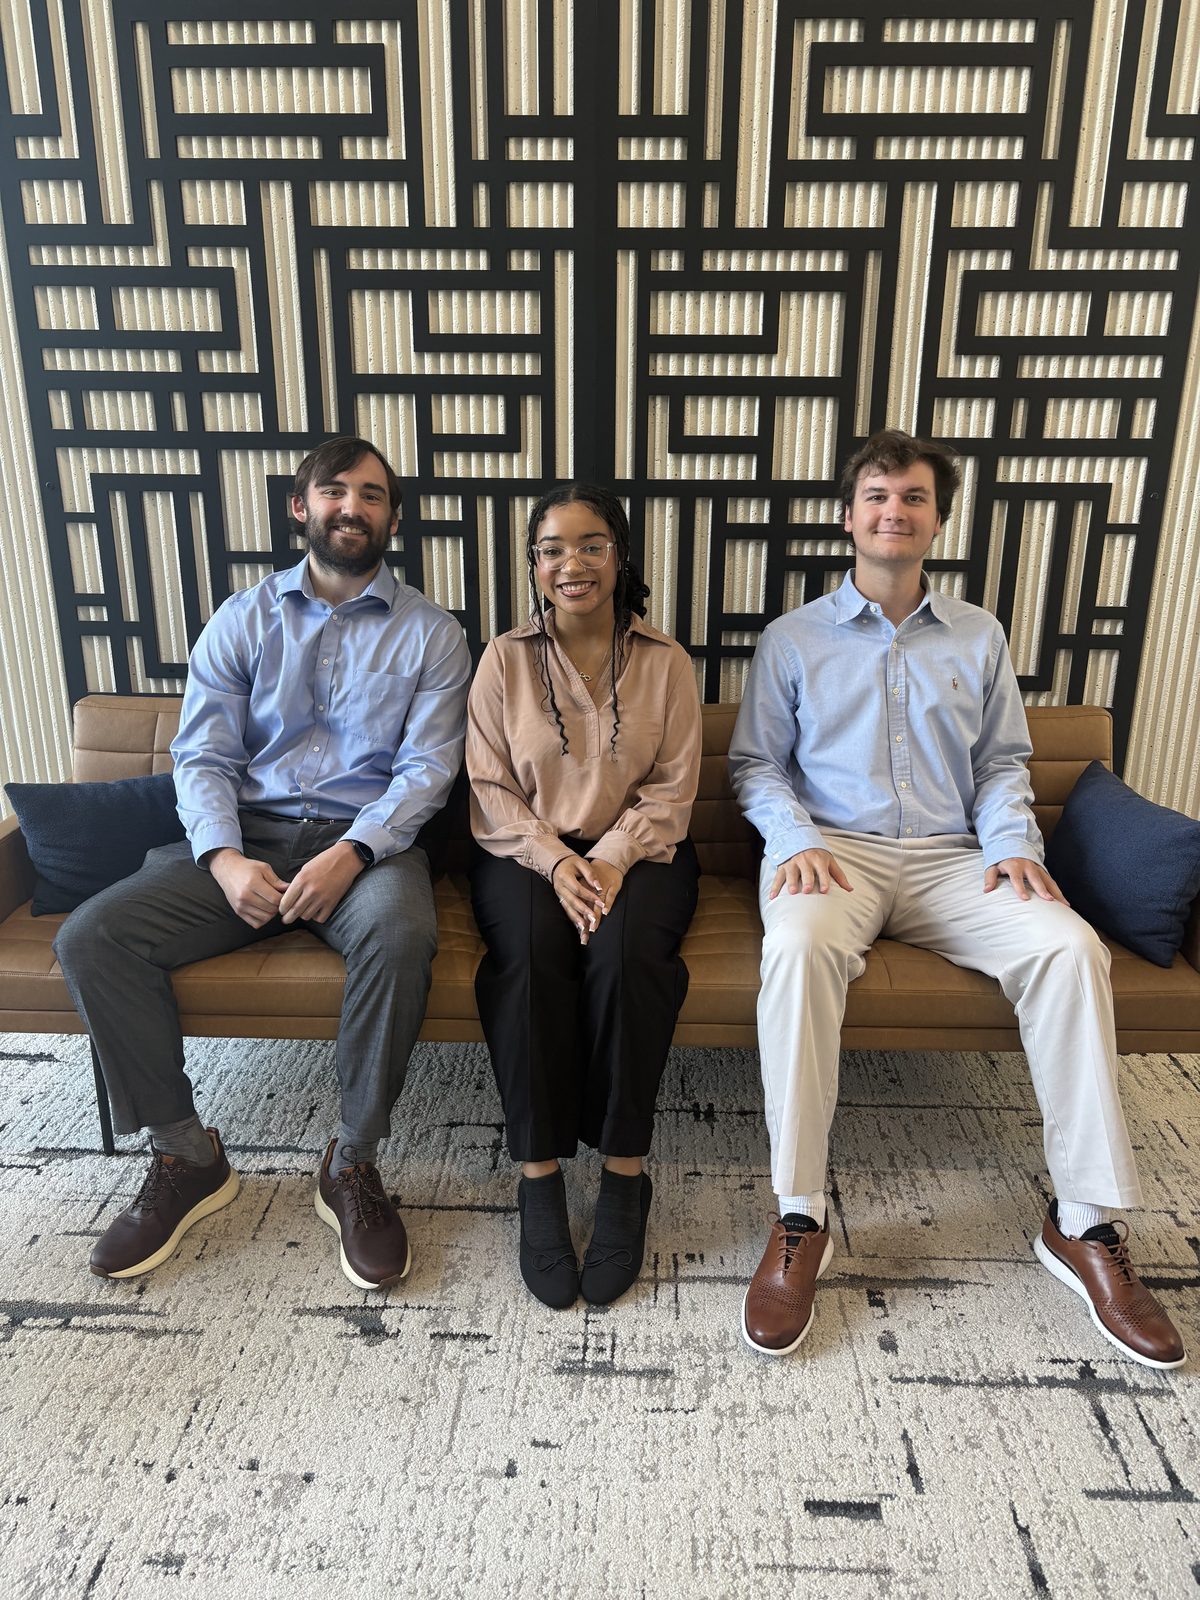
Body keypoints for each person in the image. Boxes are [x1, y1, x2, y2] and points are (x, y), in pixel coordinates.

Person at [728, 427, 1185, 1369]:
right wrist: (799, 841)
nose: (894, 512)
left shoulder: (978, 635)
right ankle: (800, 1214)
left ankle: (1086, 1225)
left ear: (938, 518)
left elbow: (1003, 764)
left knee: (1069, 948)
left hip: (951, 860)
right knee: (797, 950)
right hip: (835, 855)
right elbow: (756, 767)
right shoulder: (793, 638)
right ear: (848, 515)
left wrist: (1015, 844)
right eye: (878, 496)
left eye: (914, 498)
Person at [54, 435, 471, 1291]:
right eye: (334, 491)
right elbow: (202, 756)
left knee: (399, 936)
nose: (352, 507)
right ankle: (186, 1155)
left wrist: (356, 852)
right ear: (301, 506)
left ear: (394, 517)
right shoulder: (243, 618)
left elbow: (428, 770)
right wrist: (222, 858)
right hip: (245, 838)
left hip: (368, 844)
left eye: (372, 495)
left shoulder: (433, 634)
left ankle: (351, 1163)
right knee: (93, 936)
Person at [466, 484, 701, 1309]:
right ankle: (537, 1179)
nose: (574, 563)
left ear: (620, 557)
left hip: (643, 852)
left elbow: (673, 789)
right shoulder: (502, 659)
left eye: (592, 545)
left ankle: (624, 1174)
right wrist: (556, 861)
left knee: (628, 956)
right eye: (554, 548)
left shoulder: (668, 661)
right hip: (524, 853)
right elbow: (489, 785)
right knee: (528, 957)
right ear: (534, 566)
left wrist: (605, 859)